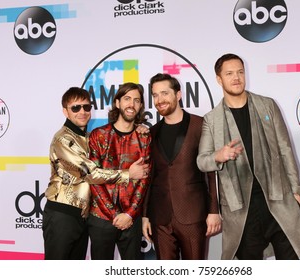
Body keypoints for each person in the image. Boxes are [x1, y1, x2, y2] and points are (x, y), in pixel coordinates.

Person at [196, 53, 300, 260]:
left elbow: (285, 149)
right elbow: (202, 161)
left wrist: (296, 191)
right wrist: (218, 156)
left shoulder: (267, 105)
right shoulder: (211, 120)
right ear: (219, 79)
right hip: (241, 210)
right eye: (229, 73)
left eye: (240, 72)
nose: (236, 78)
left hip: (278, 199)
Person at [43, 86, 148, 260]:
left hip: (82, 216)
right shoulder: (63, 139)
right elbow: (89, 174)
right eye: (75, 108)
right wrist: (128, 174)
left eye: (86, 107)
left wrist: (137, 128)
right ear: (65, 111)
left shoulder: (91, 136)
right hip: (62, 215)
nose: (82, 112)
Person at [142, 73, 221, 260]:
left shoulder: (200, 125)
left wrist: (214, 211)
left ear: (178, 95)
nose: (159, 100)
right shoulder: (151, 133)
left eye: (164, 93)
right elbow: (149, 177)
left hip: (193, 215)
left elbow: (212, 173)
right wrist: (145, 215)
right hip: (160, 217)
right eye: (155, 95)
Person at [87, 82, 152, 260]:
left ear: (140, 107)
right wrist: (115, 214)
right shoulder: (98, 135)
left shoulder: (144, 137)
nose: (131, 104)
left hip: (132, 219)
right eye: (127, 99)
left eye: (136, 101)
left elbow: (144, 180)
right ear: (117, 103)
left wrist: (130, 214)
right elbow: (93, 178)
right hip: (101, 217)